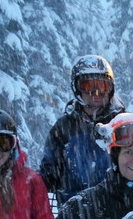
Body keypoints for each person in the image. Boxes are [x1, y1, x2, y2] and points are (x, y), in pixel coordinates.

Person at [39, 54, 126, 207]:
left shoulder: (121, 123)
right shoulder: (65, 127)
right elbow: (48, 172)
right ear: (77, 88)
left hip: (114, 206)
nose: (96, 93)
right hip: (74, 208)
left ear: (110, 88)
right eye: (88, 86)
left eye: (102, 86)